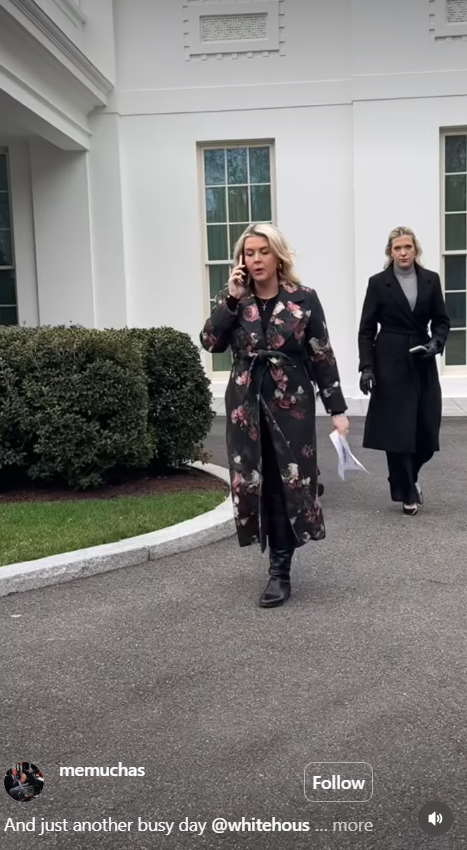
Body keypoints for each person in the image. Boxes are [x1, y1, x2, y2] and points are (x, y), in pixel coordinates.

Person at [200, 223, 349, 607]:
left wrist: (337, 409)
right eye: (248, 253)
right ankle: (271, 554)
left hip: (291, 406)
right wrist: (231, 301)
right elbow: (210, 342)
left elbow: (321, 354)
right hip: (245, 407)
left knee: (290, 483)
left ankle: (280, 570)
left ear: (278, 255)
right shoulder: (234, 299)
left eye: (262, 252)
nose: (255, 259)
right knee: (256, 481)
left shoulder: (304, 298)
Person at [358, 226, 450, 515]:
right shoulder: (378, 283)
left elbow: (442, 321)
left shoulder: (431, 280)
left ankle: (408, 476)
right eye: (397, 248)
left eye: (407, 247)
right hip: (389, 359)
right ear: (390, 252)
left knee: (426, 426)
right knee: (397, 431)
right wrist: (367, 367)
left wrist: (436, 342)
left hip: (422, 358)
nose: (403, 252)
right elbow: (366, 330)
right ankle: (407, 490)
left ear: (415, 250)